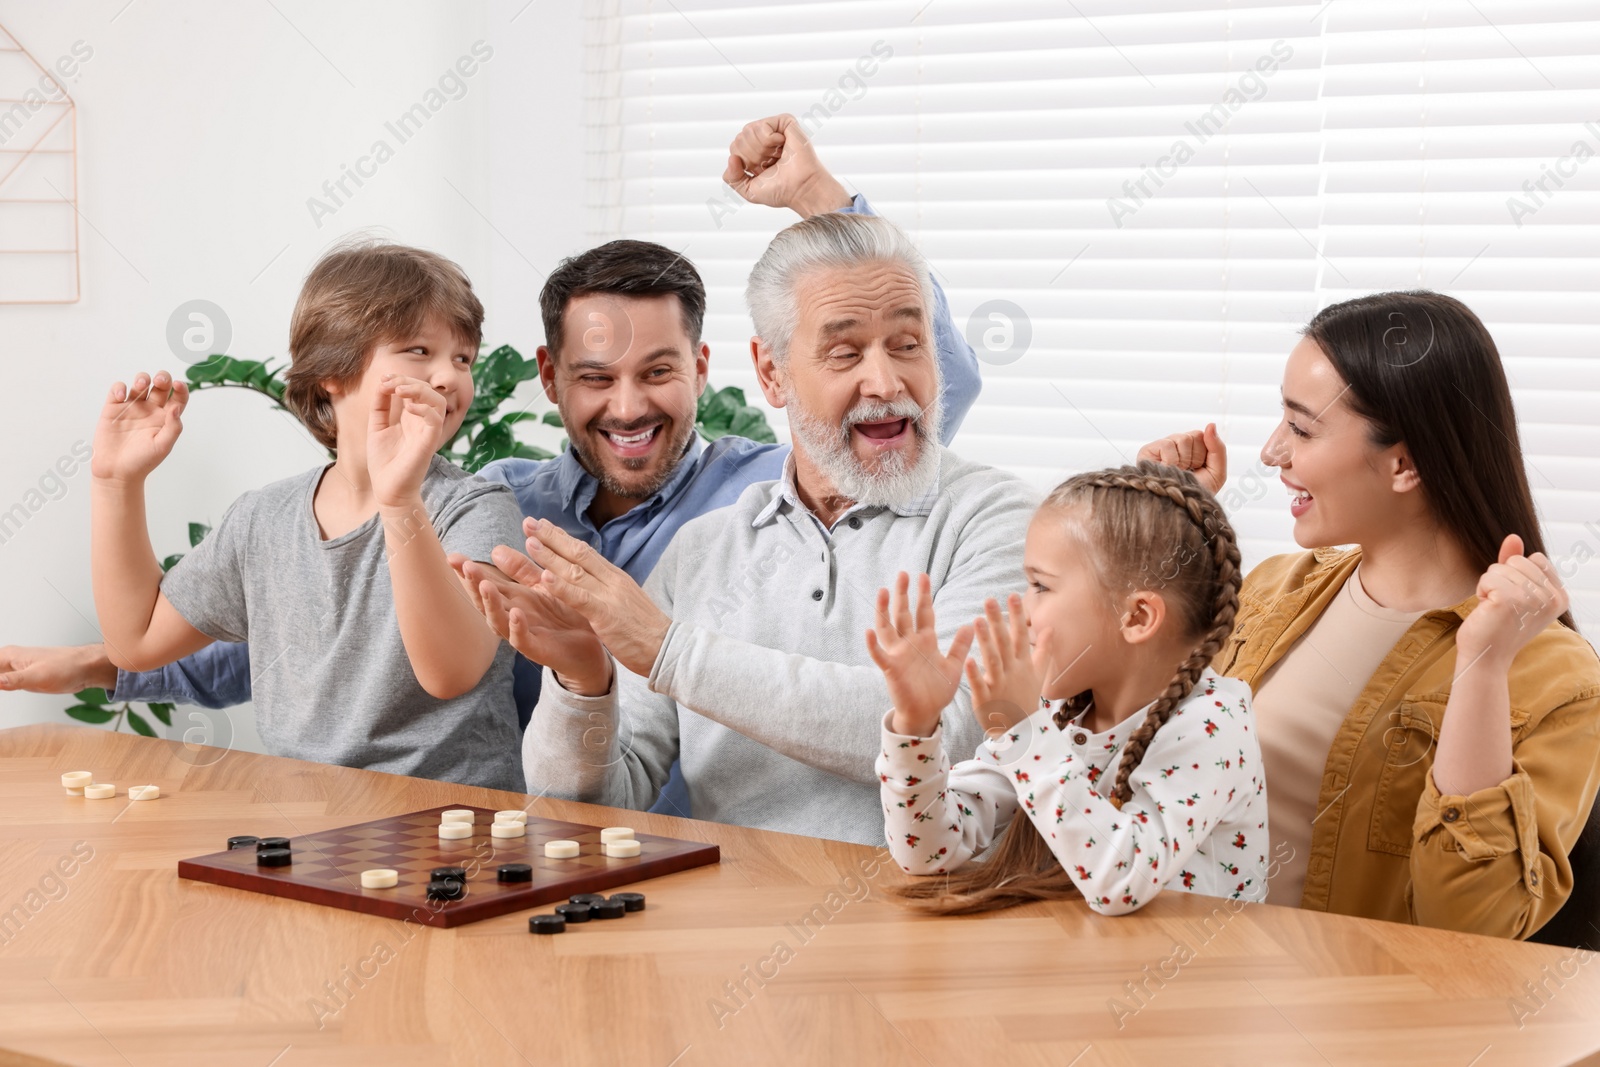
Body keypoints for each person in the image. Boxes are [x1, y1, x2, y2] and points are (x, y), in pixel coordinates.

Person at [0, 115, 984, 815]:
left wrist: (816, 200)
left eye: (659, 371)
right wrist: (110, 658)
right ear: (551, 377)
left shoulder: (762, 493)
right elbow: (330, 633)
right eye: (598, 376)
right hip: (519, 827)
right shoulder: (509, 496)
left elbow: (918, 373)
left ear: (714, 370)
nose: (630, 404)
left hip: (685, 831)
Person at [492, 210, 1039, 845]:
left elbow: (952, 726)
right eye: (845, 352)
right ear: (771, 373)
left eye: (907, 345)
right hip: (736, 923)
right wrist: (581, 683)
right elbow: (594, 807)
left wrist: (671, 652)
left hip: (941, 921)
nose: (887, 381)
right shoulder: (703, 550)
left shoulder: (997, 518)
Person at [1142, 289, 1600, 939]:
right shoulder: (1272, 591)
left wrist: (1484, 664)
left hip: (1358, 1026)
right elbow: (1124, 761)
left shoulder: (1556, 678)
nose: (1273, 452)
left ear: (1404, 462)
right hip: (1193, 988)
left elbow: (1475, 927)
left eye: (1301, 428)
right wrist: (1162, 528)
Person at [87, 241, 525, 790]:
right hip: (307, 821)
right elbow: (138, 642)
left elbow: (450, 672)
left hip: (455, 826)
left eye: (463, 359)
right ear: (332, 374)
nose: (448, 377)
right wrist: (115, 483)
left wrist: (398, 501)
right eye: (419, 351)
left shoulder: (477, 509)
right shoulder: (262, 520)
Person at [869, 462, 1268, 915]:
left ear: (1135, 617)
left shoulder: (1213, 724)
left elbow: (1124, 881)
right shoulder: (1060, 712)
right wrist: (915, 726)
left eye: (1040, 586)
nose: (1020, 608)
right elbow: (929, 852)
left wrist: (1026, 735)